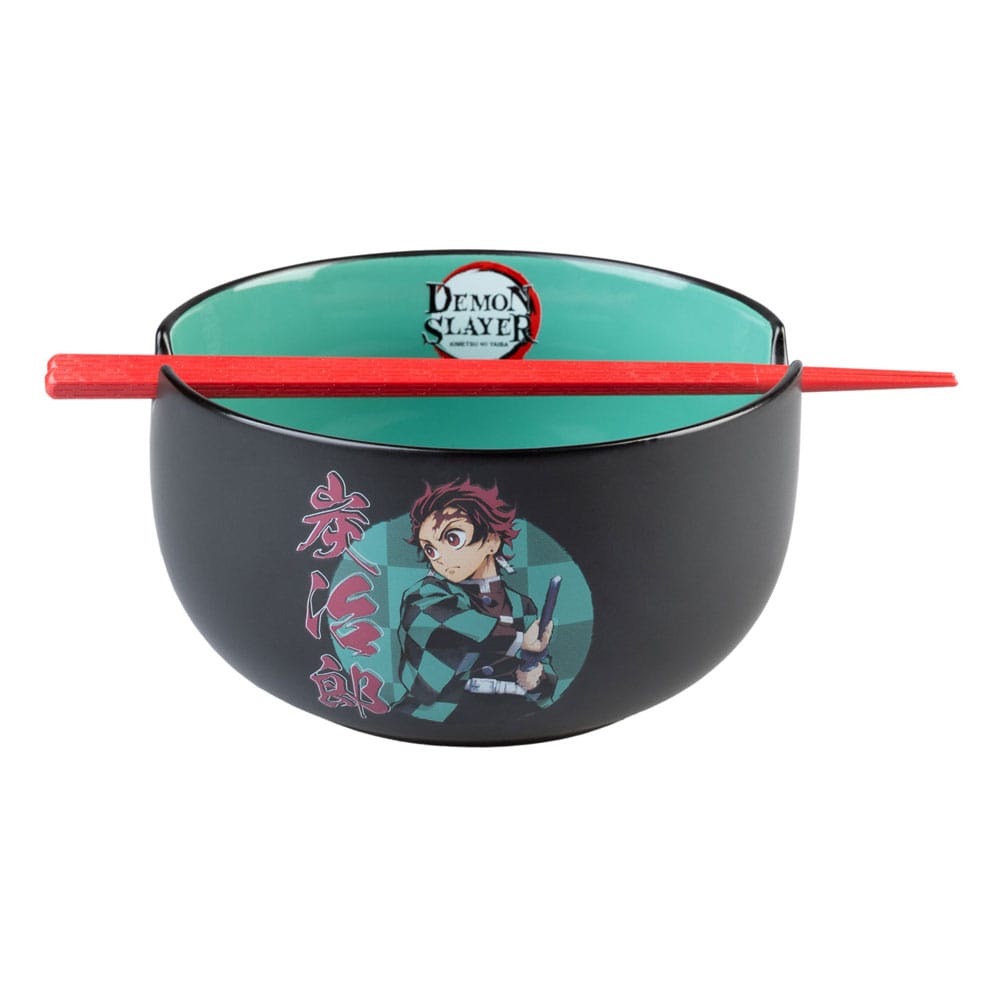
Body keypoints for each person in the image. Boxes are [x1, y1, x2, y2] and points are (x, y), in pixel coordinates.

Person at [395, 478, 556, 722]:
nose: (440, 558)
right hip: (442, 715)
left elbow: (544, 672)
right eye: (430, 549)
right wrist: (520, 642)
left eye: (452, 539)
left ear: (492, 541)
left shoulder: (522, 605)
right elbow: (448, 632)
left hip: (517, 716)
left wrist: (535, 676)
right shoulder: (425, 594)